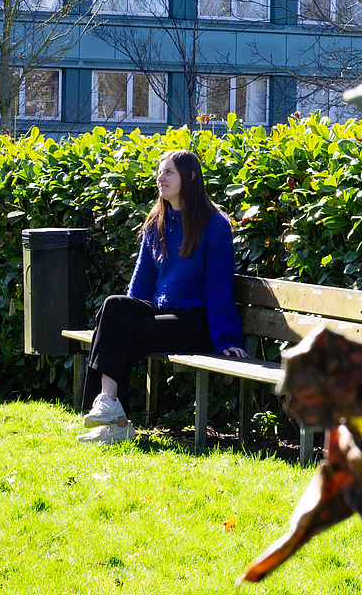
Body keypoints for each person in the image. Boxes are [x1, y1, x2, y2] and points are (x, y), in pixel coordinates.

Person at [77, 149, 248, 444]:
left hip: (195, 322)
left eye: (169, 172)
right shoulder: (157, 221)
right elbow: (141, 281)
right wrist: (126, 314)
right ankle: (109, 406)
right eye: (160, 171)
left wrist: (227, 340)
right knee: (113, 309)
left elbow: (219, 288)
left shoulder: (214, 226)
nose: (161, 177)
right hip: (161, 313)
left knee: (122, 331)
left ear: (190, 177)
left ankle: (116, 421)